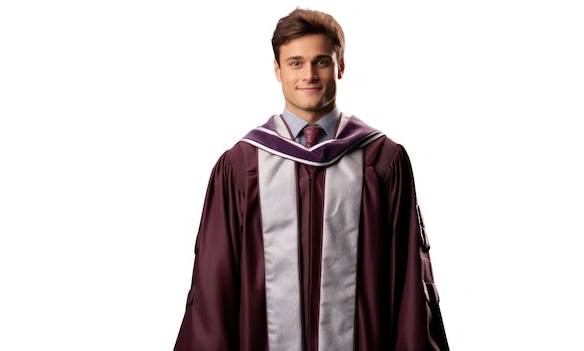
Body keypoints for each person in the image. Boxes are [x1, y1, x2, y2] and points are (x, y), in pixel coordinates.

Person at [174, 7, 449, 351]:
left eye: (321, 61)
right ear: (277, 69)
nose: (309, 74)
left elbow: (410, 284)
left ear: (341, 66)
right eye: (295, 63)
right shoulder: (240, 166)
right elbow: (214, 291)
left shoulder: (382, 161)